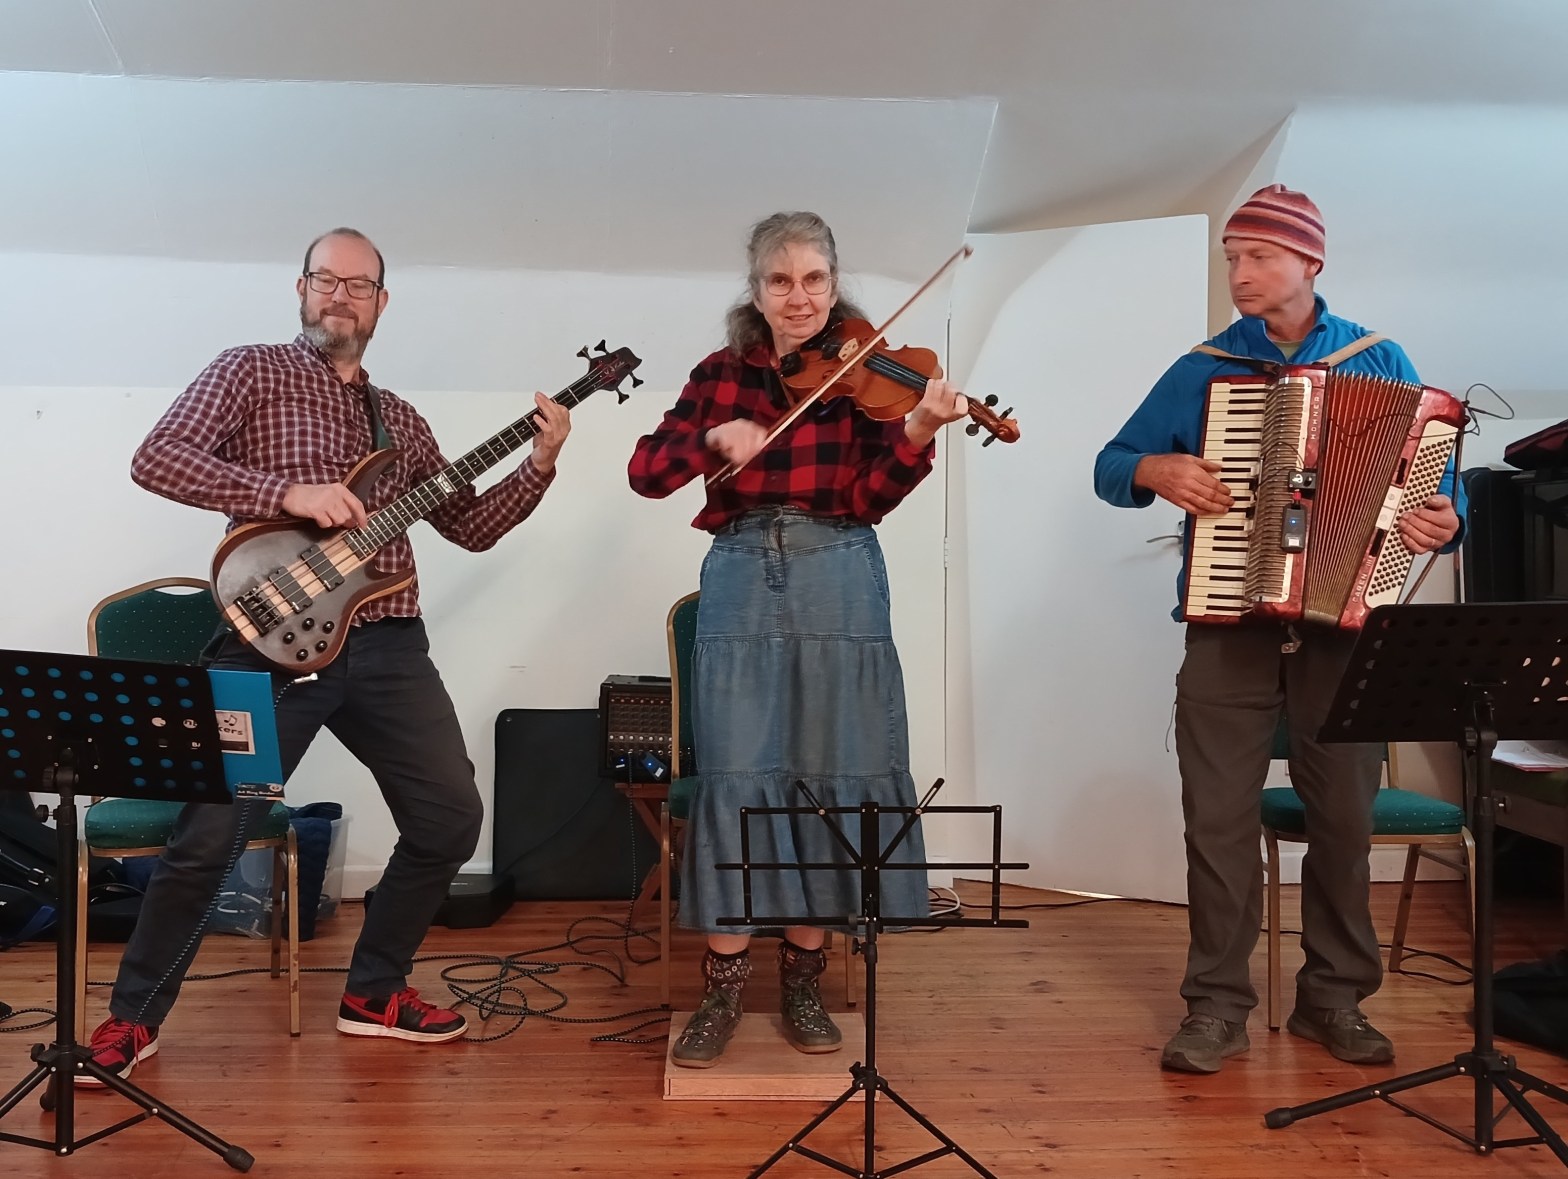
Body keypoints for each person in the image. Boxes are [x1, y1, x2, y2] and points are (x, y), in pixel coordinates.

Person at [82, 227, 572, 1082]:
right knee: (209, 836)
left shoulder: (404, 422)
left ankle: (373, 990)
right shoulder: (250, 371)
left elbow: (473, 528)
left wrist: (539, 462)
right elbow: (155, 458)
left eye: (358, 285)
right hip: (268, 643)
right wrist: (285, 491)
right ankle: (131, 1020)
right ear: (300, 288)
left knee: (450, 816)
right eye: (324, 279)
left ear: (382, 304)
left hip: (387, 647)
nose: (338, 295)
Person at [1093, 185, 1463, 1074]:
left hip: (1342, 624)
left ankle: (1334, 1000)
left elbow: (1434, 485)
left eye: (1259, 256)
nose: (1241, 275)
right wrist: (1158, 467)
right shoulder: (1203, 369)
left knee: (1343, 816)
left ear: (1310, 263)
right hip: (1229, 624)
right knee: (1215, 817)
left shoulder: (1382, 358)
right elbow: (1110, 467)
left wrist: (1440, 518)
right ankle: (1216, 1006)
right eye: (1232, 258)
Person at [628, 211, 964, 1068]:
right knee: (742, 771)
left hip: (839, 564)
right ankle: (723, 987)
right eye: (781, 281)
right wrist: (712, 438)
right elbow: (646, 473)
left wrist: (919, 433)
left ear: (834, 282)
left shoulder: (864, 368)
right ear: (756, 290)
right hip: (742, 566)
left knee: (828, 763)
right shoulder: (720, 374)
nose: (800, 297)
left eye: (814, 279)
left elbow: (871, 495)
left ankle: (806, 978)